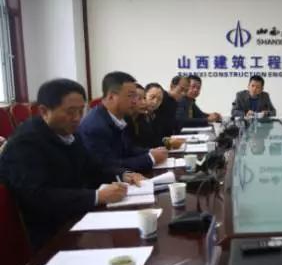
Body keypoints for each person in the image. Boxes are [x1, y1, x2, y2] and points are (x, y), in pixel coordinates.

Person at [0, 79, 144, 250]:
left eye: (81, 111)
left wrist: (122, 174)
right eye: (70, 112)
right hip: (47, 235)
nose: (77, 118)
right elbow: (37, 196)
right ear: (44, 111)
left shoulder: (68, 132)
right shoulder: (25, 143)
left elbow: (92, 167)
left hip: (75, 217)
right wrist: (96, 196)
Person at [78, 71, 168, 172]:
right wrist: (150, 158)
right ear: (111, 97)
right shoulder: (96, 126)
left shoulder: (120, 118)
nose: (135, 101)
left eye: (136, 96)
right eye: (130, 96)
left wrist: (151, 151)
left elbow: (128, 149)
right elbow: (109, 166)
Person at [126, 84, 163, 148]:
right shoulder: (123, 121)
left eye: (144, 98)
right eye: (139, 99)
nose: (144, 102)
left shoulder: (143, 118)